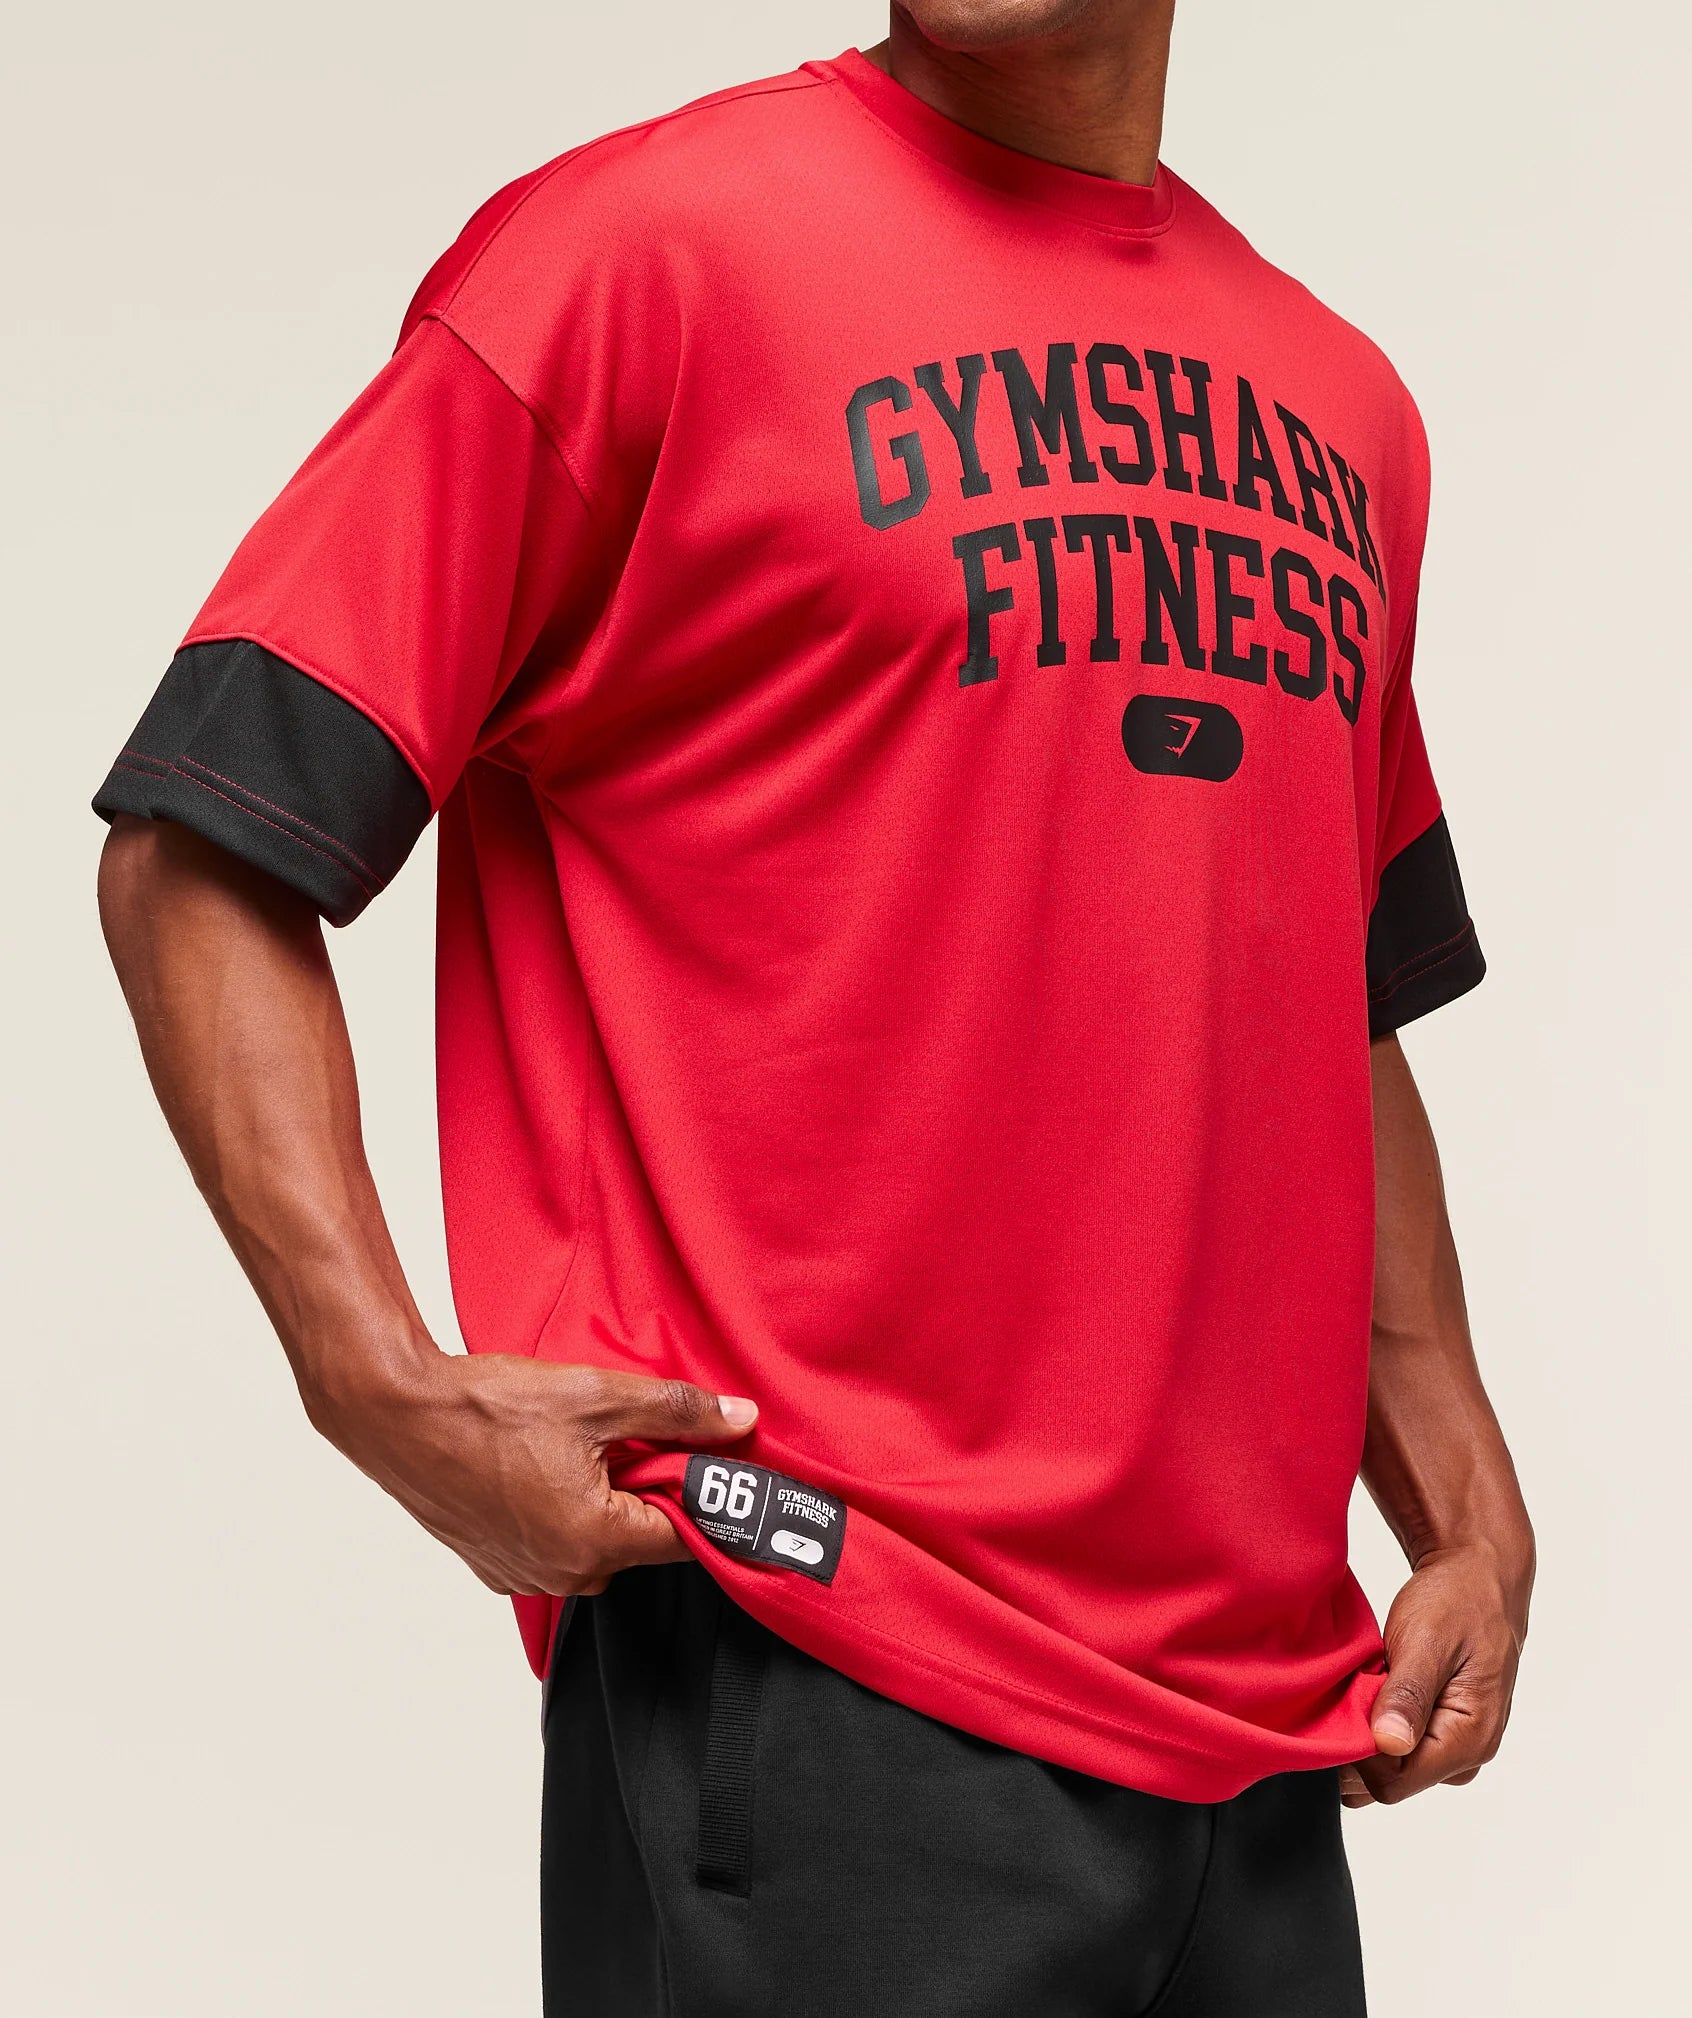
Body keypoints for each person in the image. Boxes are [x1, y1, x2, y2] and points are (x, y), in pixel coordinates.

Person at [94, 2, 1535, 2011]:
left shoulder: (1340, 408)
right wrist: (373, 1377)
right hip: (821, 1655)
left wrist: (1461, 1488)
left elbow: (1323, 987)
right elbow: (205, 837)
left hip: (1259, 1736)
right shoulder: (636, 264)